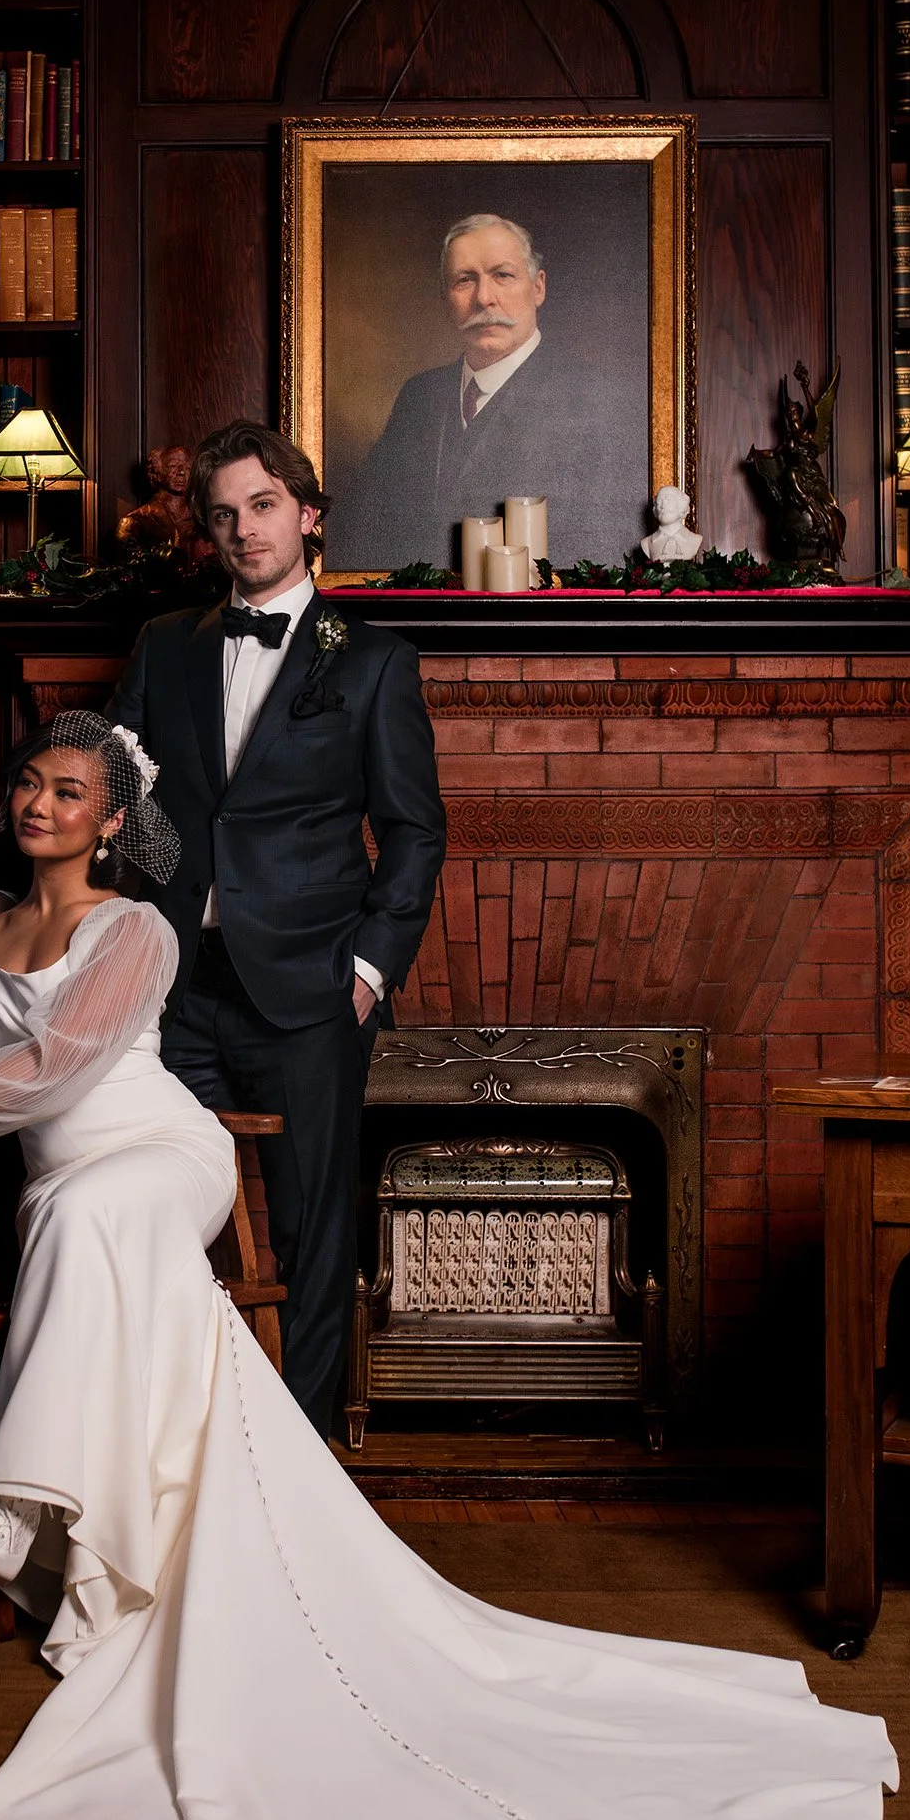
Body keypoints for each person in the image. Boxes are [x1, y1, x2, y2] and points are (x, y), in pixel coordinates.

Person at [0, 711, 896, 1820]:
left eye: (69, 791)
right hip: (58, 1188)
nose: (41, 804)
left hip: (156, 1152)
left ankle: (20, 1506)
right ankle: (66, 1511)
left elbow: (51, 1070)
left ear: (109, 820)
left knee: (100, 1211)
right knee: (81, 1227)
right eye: (29, 785)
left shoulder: (134, 930)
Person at [111, 420, 445, 1435]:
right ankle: (180, 1448)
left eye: (262, 506)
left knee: (307, 1234)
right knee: (167, 1223)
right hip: (173, 986)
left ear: (306, 516)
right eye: (223, 514)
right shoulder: (163, 645)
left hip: (308, 994)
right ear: (205, 533)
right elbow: (119, 798)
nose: (243, 529)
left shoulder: (371, 660)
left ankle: (292, 1471)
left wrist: (366, 968)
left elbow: (414, 830)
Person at [335, 212, 634, 574]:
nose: (484, 298)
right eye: (465, 280)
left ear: (538, 287)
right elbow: (368, 531)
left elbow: (603, 555)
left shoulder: (593, 398)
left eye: (503, 276)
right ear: (446, 297)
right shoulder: (419, 395)